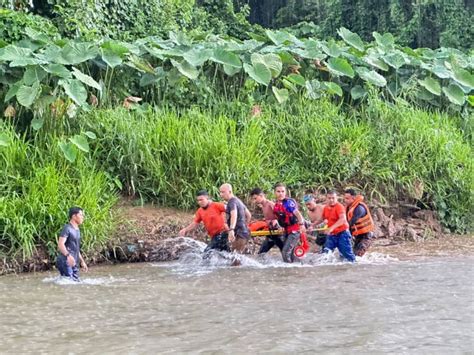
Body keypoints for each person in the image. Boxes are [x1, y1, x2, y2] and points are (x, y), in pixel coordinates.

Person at [315, 190, 356, 262]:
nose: (331, 200)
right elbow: (321, 219)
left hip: (343, 234)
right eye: (329, 198)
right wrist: (312, 225)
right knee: (325, 253)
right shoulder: (325, 208)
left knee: (347, 256)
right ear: (326, 198)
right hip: (332, 235)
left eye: (333, 198)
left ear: (336, 198)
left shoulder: (339, 207)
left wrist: (331, 228)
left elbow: (342, 219)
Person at [273, 183, 306, 263]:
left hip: (295, 231)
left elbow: (298, 214)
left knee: (285, 252)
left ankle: (288, 271)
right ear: (274, 193)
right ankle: (297, 267)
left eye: (282, 191)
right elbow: (279, 219)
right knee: (290, 253)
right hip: (286, 231)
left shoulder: (288, 203)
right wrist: (279, 227)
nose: (281, 193)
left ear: (286, 192)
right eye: (278, 191)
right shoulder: (276, 205)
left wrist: (302, 225)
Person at [56, 207, 88, 281]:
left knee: (75, 282)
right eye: (81, 215)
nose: (82, 217)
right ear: (74, 216)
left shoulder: (77, 230)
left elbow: (76, 248)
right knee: (69, 283)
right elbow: (60, 244)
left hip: (73, 261)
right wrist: (68, 256)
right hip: (66, 260)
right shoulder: (67, 228)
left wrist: (82, 261)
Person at [219, 183, 251, 255]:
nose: (221, 194)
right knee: (236, 256)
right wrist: (245, 226)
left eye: (223, 192)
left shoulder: (232, 202)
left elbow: (234, 214)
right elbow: (249, 215)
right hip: (244, 232)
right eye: (220, 192)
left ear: (230, 191)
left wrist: (231, 229)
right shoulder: (238, 201)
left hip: (239, 234)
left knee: (235, 259)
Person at [249, 187, 283, 254]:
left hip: (277, 232)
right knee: (261, 253)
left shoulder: (270, 204)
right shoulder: (263, 206)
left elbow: (281, 215)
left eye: (255, 198)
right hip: (271, 233)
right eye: (253, 199)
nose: (255, 201)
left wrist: (280, 226)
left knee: (285, 252)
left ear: (261, 195)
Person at [344, 188, 375, 257]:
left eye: (347, 198)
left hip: (367, 235)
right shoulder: (348, 208)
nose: (345, 200)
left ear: (353, 198)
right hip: (358, 235)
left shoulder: (359, 208)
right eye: (345, 198)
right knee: (352, 254)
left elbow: (350, 224)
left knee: (358, 255)